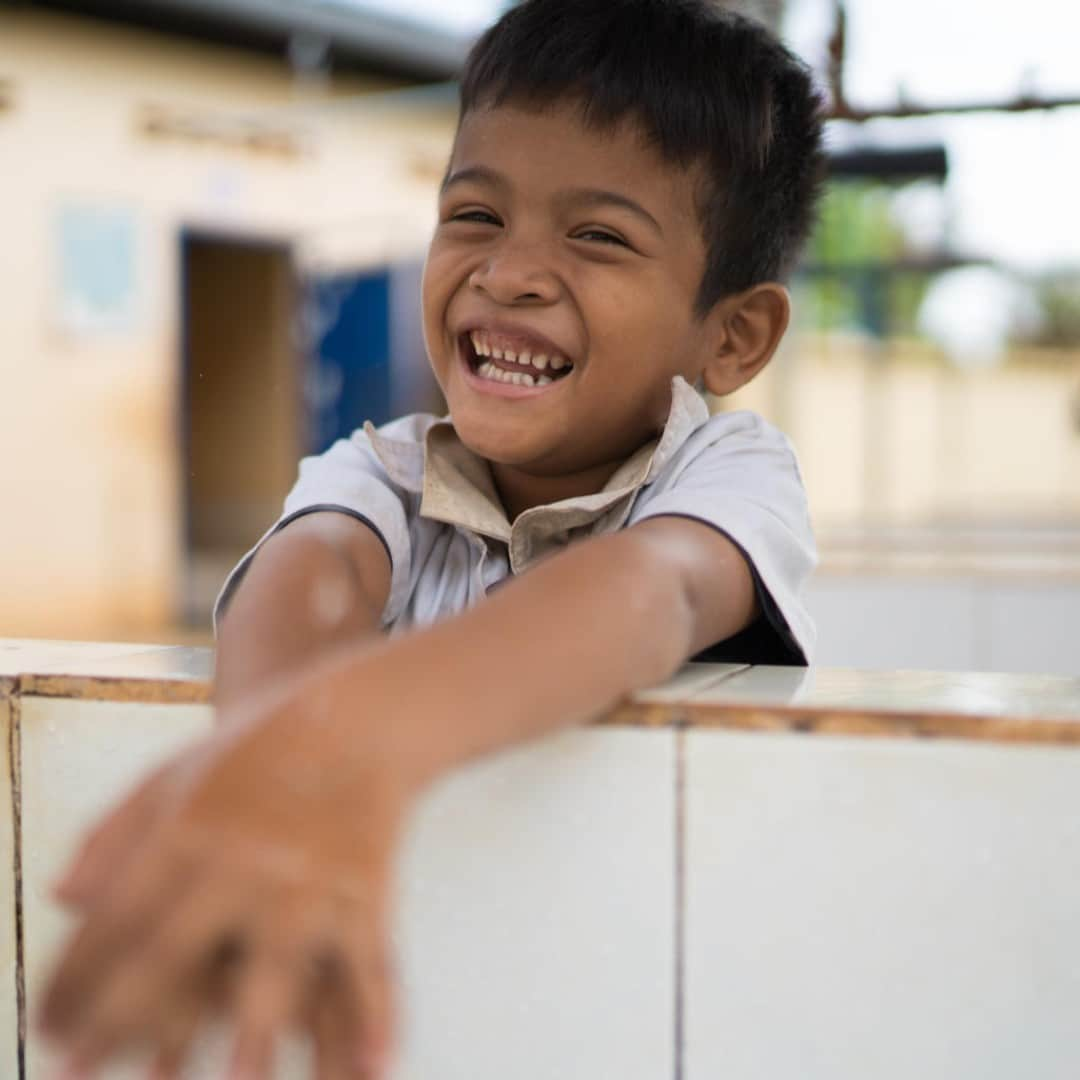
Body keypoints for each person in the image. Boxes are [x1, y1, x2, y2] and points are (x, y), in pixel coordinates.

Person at [40, 1, 825, 1076]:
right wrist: (262, 761)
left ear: (732, 336)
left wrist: (346, 743)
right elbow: (307, 580)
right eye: (475, 215)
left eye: (597, 236)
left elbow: (654, 592)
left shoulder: (730, 476)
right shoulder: (383, 470)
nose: (509, 273)